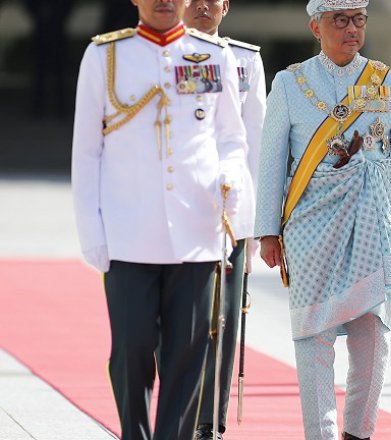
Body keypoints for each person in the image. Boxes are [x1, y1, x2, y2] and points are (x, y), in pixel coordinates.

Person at [71, 0, 248, 438]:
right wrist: (92, 230)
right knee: (131, 350)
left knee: (188, 356)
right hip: (129, 232)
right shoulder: (105, 56)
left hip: (196, 230)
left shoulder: (214, 54)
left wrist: (231, 180)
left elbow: (231, 137)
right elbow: (87, 152)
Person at [253, 0, 391, 438]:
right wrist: (267, 231)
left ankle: (359, 432)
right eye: (340, 20)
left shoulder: (388, 81)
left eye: (358, 20)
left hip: (373, 222)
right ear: (316, 27)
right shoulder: (290, 83)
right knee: (314, 338)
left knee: (373, 336)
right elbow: (271, 160)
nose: (352, 29)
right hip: (309, 225)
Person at [184, 0, 267, 438]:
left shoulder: (244, 60)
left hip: (229, 214)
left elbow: (255, 142)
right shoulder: (163, 54)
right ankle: (180, 412)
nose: (202, 5)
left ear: (226, 6)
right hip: (179, 211)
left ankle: (209, 423)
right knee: (177, 320)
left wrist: (253, 226)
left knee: (224, 319)